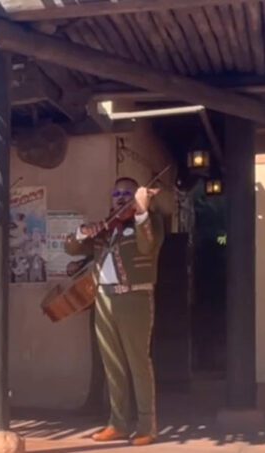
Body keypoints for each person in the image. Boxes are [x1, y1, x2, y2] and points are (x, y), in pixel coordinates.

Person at [65, 176, 164, 447]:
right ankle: (118, 424)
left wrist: (142, 210)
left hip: (134, 297)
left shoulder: (150, 221)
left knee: (138, 363)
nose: (120, 198)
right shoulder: (106, 227)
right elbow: (70, 248)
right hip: (103, 298)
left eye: (127, 193)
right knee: (113, 364)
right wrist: (82, 233)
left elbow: (147, 246)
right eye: (116, 193)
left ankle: (147, 426)